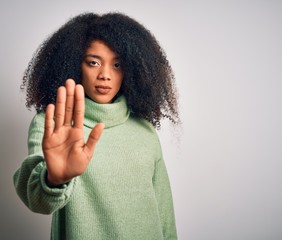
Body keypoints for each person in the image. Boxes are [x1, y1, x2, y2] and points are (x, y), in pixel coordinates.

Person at [13, 12, 180, 240]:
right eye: (93, 62)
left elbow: (164, 215)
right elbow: (37, 199)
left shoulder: (144, 129)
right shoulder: (52, 124)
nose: (105, 75)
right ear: (74, 64)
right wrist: (54, 180)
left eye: (117, 64)